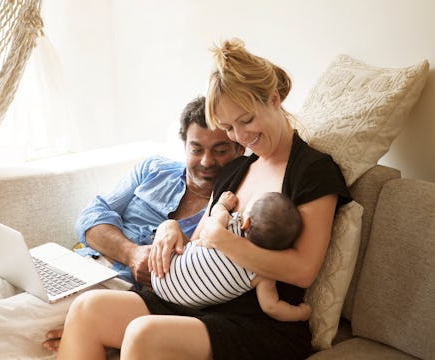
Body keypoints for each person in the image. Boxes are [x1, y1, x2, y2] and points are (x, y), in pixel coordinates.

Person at [55, 37, 351, 360]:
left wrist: (222, 239)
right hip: (200, 301)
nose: (241, 137)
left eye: (246, 120)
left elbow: (303, 269)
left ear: (274, 98)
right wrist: (171, 229)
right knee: (87, 310)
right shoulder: (237, 169)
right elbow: (197, 245)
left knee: (143, 335)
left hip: (259, 321)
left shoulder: (312, 171)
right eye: (229, 128)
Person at [42, 95, 244, 351]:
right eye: (196, 149)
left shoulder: (226, 210)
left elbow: (196, 285)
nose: (206, 161)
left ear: (240, 149)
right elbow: (90, 216)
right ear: (184, 146)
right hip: (80, 264)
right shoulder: (154, 169)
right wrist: (131, 253)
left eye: (220, 150)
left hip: (117, 290)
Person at [151, 191, 312, 322]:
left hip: (163, 272)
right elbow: (271, 307)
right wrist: (300, 313)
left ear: (246, 222)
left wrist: (223, 205)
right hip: (182, 306)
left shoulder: (230, 224)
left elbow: (212, 220)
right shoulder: (263, 274)